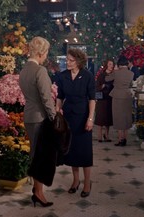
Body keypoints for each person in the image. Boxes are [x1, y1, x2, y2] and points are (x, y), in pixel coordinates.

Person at [18, 36, 56, 207]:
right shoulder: (40, 71)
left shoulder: (24, 70)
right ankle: (39, 193)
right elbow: (46, 99)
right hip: (40, 118)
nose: (47, 56)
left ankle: (36, 190)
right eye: (46, 52)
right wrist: (54, 117)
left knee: (35, 153)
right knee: (40, 156)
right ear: (41, 53)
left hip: (29, 116)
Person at [55, 48, 96, 198]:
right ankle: (75, 180)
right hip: (68, 117)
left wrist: (91, 118)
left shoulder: (87, 76)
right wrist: (57, 109)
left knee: (84, 150)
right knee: (72, 150)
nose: (68, 62)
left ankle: (87, 182)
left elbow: (92, 99)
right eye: (67, 60)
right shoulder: (62, 76)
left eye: (71, 60)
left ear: (79, 61)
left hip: (83, 116)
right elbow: (59, 96)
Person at [105, 55, 133, 146]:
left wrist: (113, 70)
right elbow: (131, 84)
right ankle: (125, 139)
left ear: (119, 64)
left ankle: (120, 140)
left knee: (118, 118)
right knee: (126, 117)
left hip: (117, 96)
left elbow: (106, 78)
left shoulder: (116, 72)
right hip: (127, 96)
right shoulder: (131, 73)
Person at [94, 59, 114, 142]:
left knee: (108, 119)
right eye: (109, 64)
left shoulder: (114, 75)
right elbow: (96, 87)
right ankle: (99, 136)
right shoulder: (101, 75)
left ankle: (107, 135)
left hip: (110, 98)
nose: (111, 66)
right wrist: (102, 86)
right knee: (100, 118)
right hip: (102, 99)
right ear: (106, 65)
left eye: (112, 64)